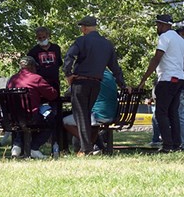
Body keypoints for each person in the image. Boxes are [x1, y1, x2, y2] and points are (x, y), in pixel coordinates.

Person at [63, 16, 128, 156]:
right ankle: (87, 147)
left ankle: (86, 149)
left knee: (81, 115)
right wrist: (122, 85)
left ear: (85, 27)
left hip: (80, 82)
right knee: (86, 114)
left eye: (81, 27)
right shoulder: (107, 44)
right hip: (96, 83)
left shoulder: (81, 41)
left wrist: (68, 74)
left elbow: (69, 57)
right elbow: (115, 67)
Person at [138, 14, 184, 153]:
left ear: (165, 25)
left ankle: (167, 145)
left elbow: (157, 58)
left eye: (158, 25)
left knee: (161, 113)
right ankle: (177, 144)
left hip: (167, 78)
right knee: (173, 113)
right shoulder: (180, 39)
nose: (157, 27)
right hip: (179, 78)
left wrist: (144, 79)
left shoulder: (164, 37)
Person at [7, 56, 58, 158]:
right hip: (32, 117)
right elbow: (53, 95)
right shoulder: (36, 78)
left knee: (22, 122)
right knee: (51, 118)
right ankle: (34, 147)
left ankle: (17, 146)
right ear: (32, 67)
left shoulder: (12, 79)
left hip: (13, 118)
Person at [63, 69, 118, 154]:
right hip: (111, 114)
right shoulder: (109, 74)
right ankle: (93, 147)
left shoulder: (88, 74)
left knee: (65, 121)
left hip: (97, 115)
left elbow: (68, 93)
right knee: (90, 123)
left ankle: (86, 144)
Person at [27, 26, 64, 148]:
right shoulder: (33, 52)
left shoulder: (56, 48)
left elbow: (59, 64)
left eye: (44, 37)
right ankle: (36, 142)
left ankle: (57, 142)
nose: (42, 39)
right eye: (39, 38)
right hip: (39, 86)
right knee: (38, 113)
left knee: (56, 113)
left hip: (54, 86)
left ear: (48, 36)